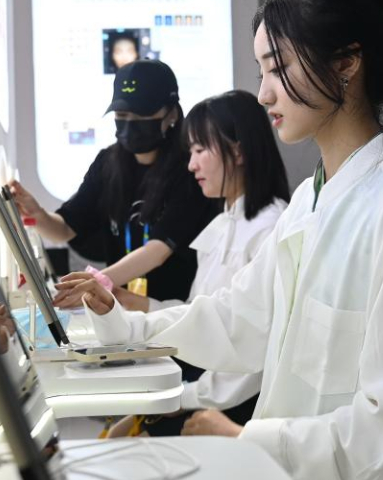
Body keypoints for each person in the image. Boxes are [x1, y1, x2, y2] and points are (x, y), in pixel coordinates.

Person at [55, 0, 383, 478]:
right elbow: (237, 319)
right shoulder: (310, 201)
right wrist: (118, 320)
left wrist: (246, 439)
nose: (262, 94)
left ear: (345, 63)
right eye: (262, 71)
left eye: (277, 68)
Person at [108, 90, 290, 437]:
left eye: (199, 150)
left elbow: (254, 353)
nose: (191, 164)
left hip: (231, 408)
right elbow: (203, 315)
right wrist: (144, 306)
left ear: (237, 150)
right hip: (204, 389)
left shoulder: (269, 229)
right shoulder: (224, 224)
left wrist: (181, 396)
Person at [9, 60, 216, 306]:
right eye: (122, 115)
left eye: (142, 114)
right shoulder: (108, 163)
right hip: (124, 314)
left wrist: (95, 282)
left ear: (171, 113)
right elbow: (65, 228)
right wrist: (37, 215)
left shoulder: (190, 169)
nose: (130, 123)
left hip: (176, 311)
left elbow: (158, 250)